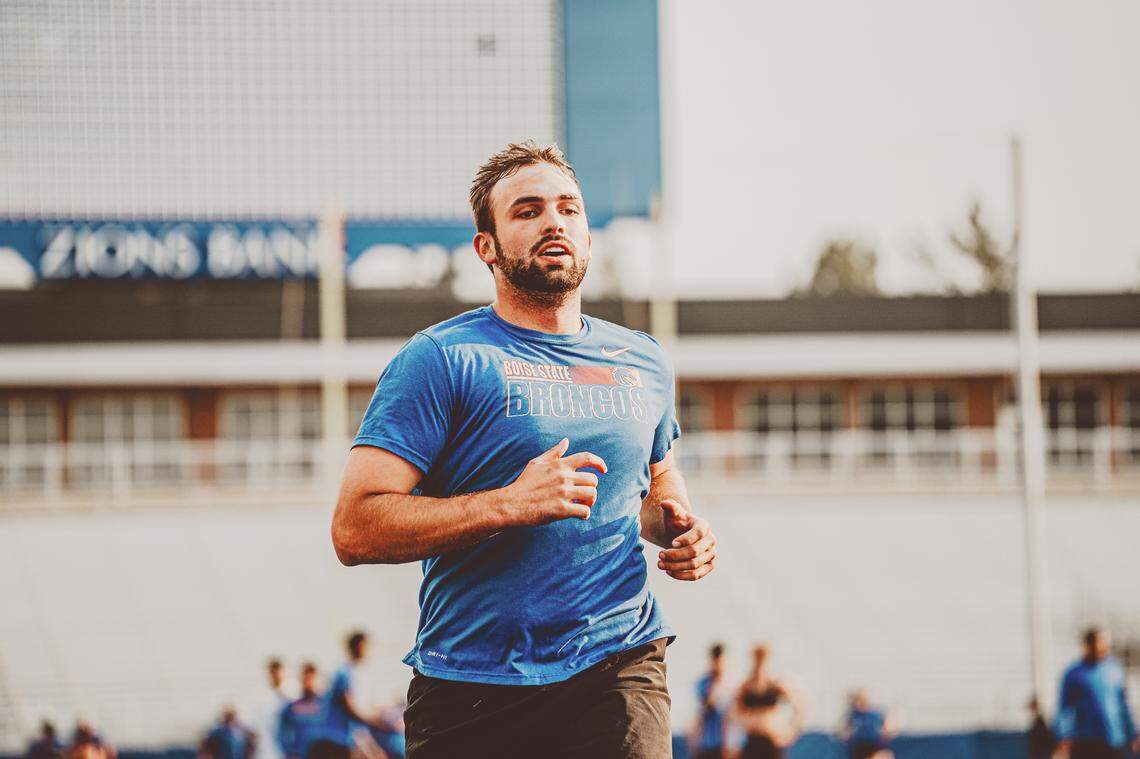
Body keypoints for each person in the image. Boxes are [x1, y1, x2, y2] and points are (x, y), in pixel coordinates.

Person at [333, 140, 717, 758]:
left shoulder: (643, 360)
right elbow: (354, 528)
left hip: (618, 662)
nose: (554, 222)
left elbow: (656, 484)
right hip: (473, 683)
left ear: (588, 237)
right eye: (527, 210)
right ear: (487, 246)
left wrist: (681, 531)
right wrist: (509, 504)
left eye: (569, 208)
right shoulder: (441, 359)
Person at [1054, 627, 1138, 759]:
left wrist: (1133, 733)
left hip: (1114, 740)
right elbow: (1065, 709)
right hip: (1085, 742)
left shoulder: (1115, 670)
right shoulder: (1074, 673)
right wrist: (1065, 737)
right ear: (1087, 645)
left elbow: (1124, 705)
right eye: (1097, 644)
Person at [307, 631, 384, 759]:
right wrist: (375, 721)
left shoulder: (358, 672)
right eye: (366, 646)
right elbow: (349, 707)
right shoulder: (344, 672)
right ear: (359, 647)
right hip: (339, 737)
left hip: (353, 733)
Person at [732, 645, 802, 759]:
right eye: (757, 659)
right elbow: (733, 713)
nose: (760, 663)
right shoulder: (745, 687)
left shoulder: (775, 686)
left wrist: (790, 732)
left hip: (771, 741)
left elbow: (799, 706)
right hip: (752, 741)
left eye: (763, 659)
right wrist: (749, 721)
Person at [278, 663, 333, 759]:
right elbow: (282, 735)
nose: (308, 681)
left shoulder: (327, 706)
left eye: (311, 677)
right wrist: (290, 753)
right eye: (305, 677)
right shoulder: (292, 707)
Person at [690, 643, 730, 759]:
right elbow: (701, 711)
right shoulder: (702, 684)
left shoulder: (731, 685)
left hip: (724, 746)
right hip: (705, 745)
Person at [256, 658, 295, 759]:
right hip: (267, 754)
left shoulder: (292, 697)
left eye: (278, 671)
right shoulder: (261, 699)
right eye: (273, 671)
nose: (276, 675)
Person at [841, 690, 893, 759]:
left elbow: (886, 728)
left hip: (874, 743)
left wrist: (885, 734)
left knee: (887, 755)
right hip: (859, 745)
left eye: (863, 700)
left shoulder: (876, 714)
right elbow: (845, 730)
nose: (861, 703)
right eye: (858, 700)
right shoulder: (853, 715)